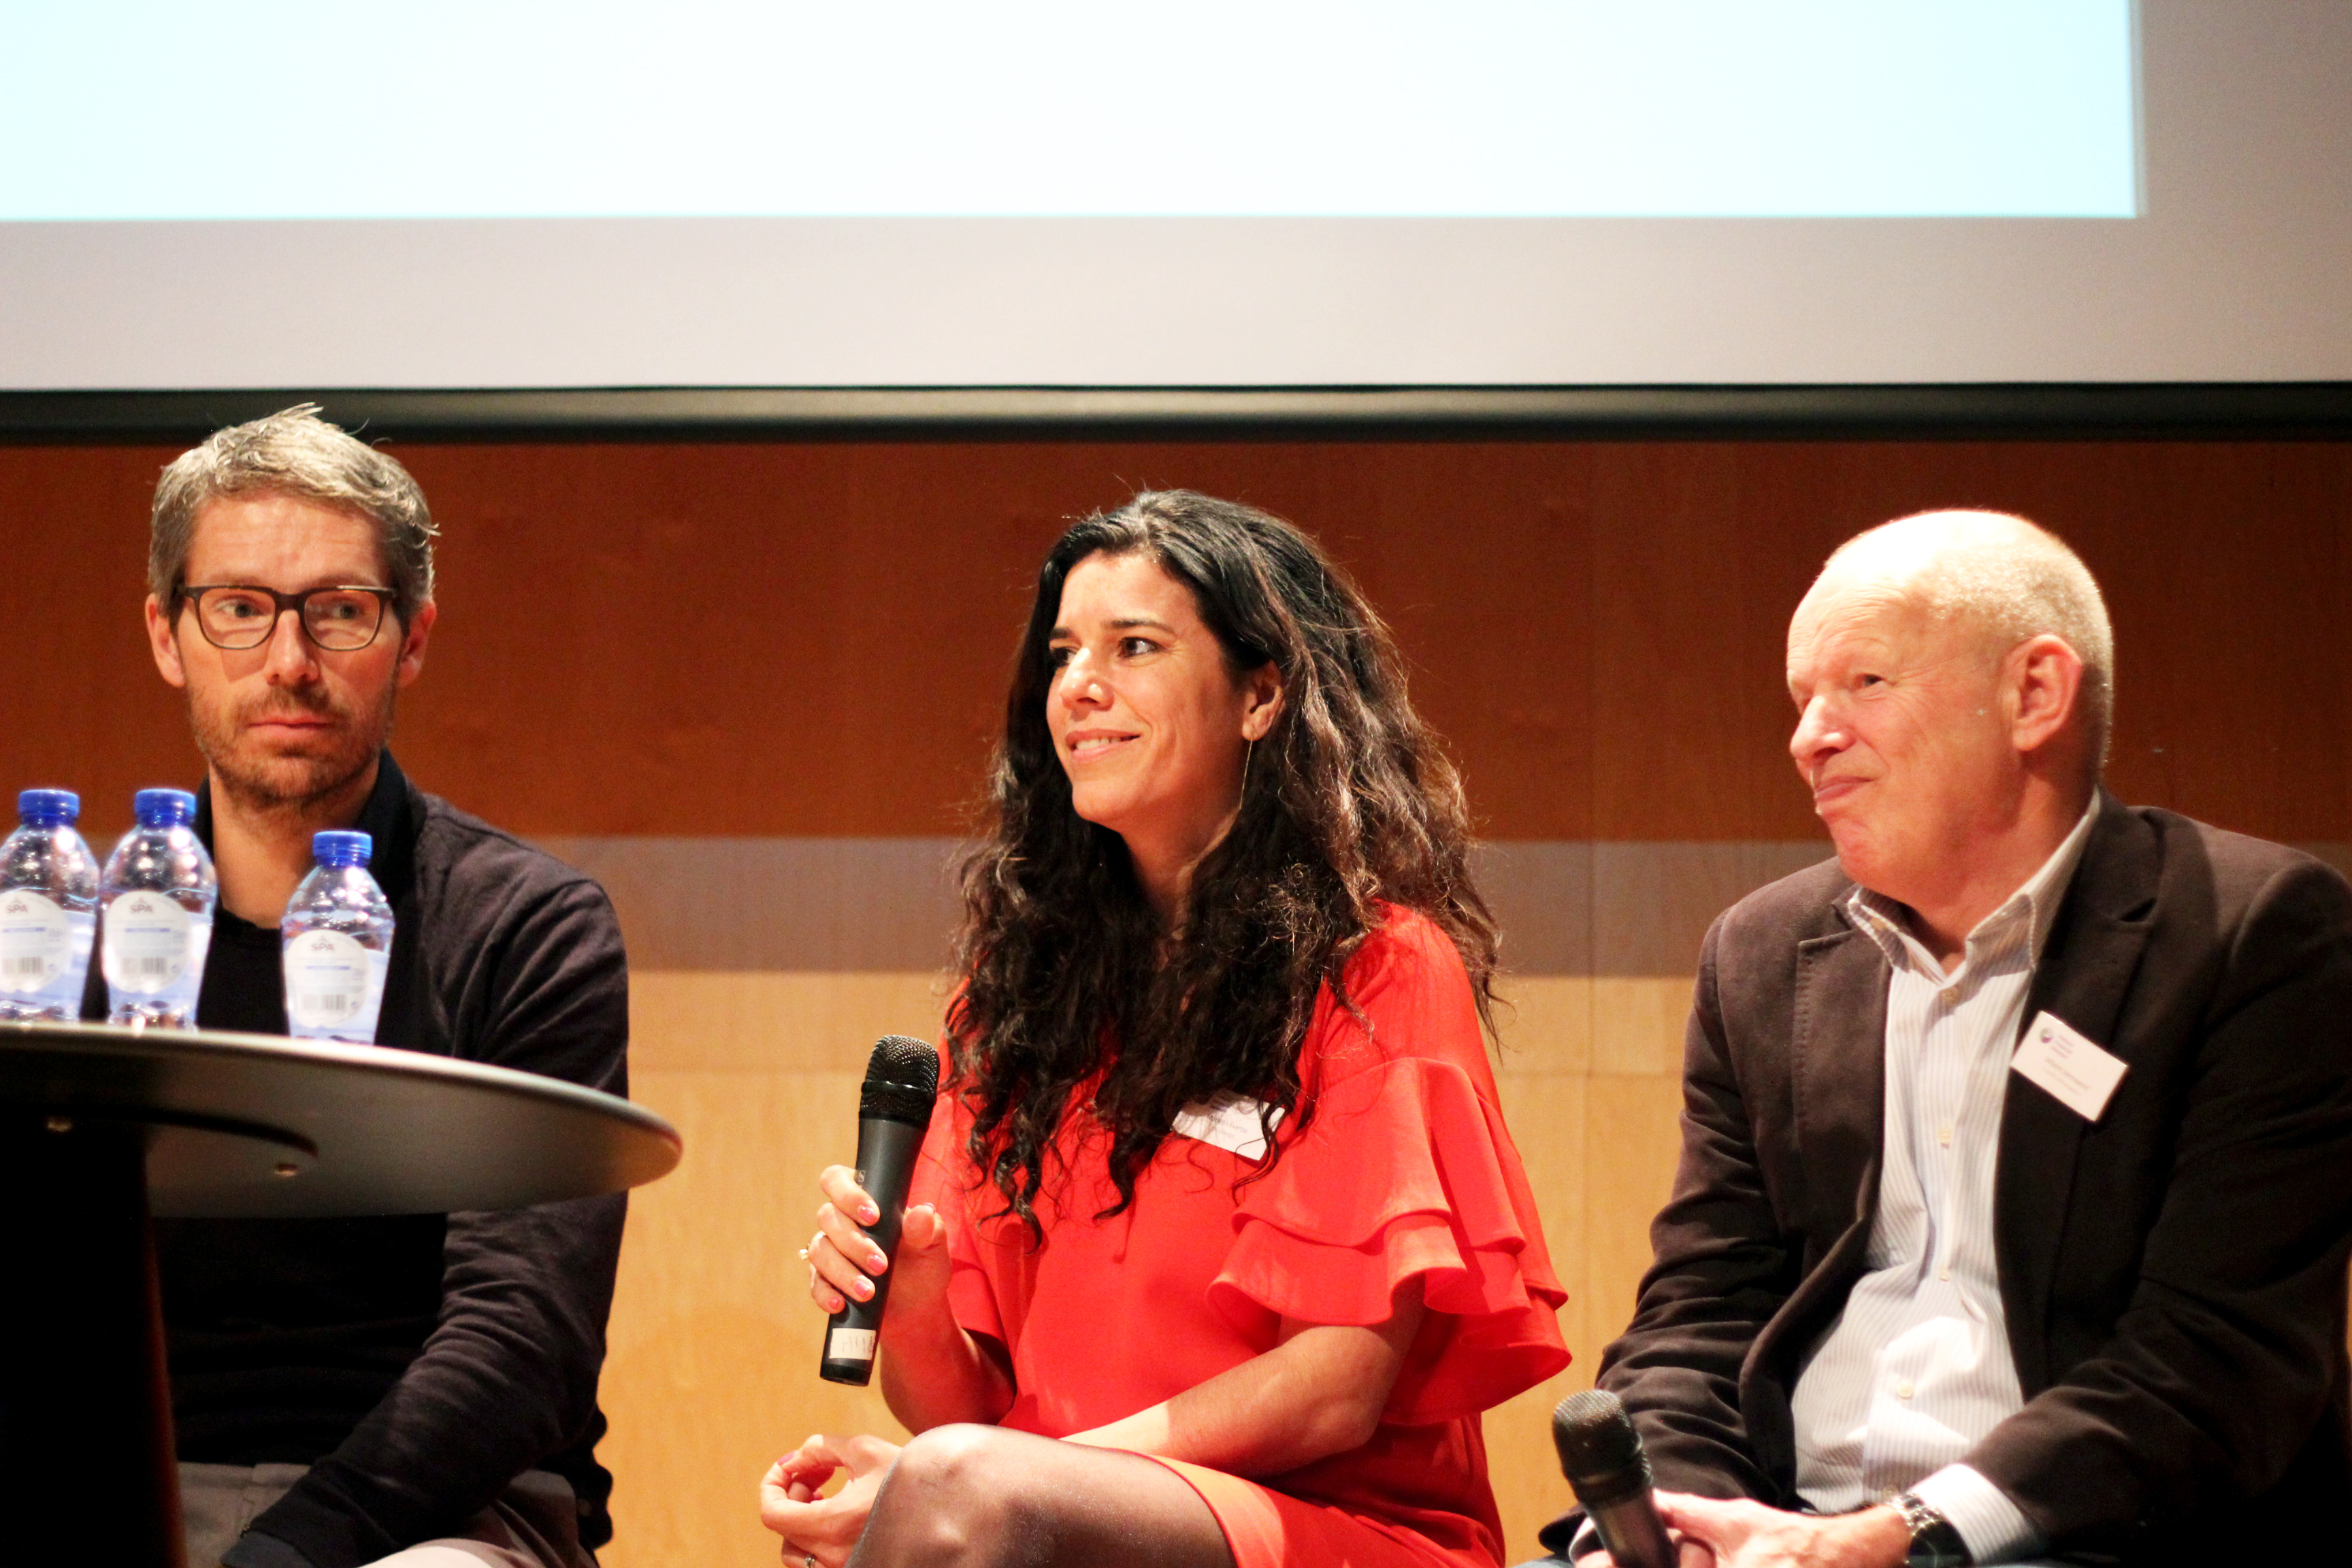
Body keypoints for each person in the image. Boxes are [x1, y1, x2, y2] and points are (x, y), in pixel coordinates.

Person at [764, 491, 1569, 1567]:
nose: (1078, 687)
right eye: (1063, 654)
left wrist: (1005, 1485)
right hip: (1061, 1516)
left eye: (1133, 647)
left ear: (1261, 695)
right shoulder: (1012, 1002)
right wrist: (910, 1308)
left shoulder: (1377, 970)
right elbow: (964, 1412)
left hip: (1339, 1529)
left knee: (949, 1495)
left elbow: (1332, 1390)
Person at [1536, 511, 2352, 1567]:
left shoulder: (2248, 933)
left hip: (2078, 1540)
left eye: (1864, 683)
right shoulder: (1763, 952)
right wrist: (1678, 1525)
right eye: (1801, 699)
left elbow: (2217, 1359)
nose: (1809, 737)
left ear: (2034, 695)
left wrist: (1894, 1539)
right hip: (1781, 1528)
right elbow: (1700, 1313)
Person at [89, 406, 632, 1568]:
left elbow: (522, 1339)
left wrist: (288, 1554)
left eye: (338, 612)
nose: (290, 661)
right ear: (167, 635)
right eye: (240, 609)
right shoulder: (74, 940)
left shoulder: (526, 927)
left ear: (413, 639)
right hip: (129, 1484)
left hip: (440, 1509)